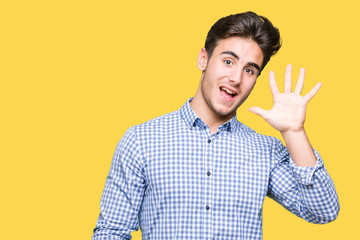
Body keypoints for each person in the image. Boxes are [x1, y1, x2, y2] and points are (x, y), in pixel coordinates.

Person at [92, 11, 339, 239]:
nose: (236, 78)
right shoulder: (141, 140)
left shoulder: (265, 151)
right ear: (204, 59)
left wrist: (293, 132)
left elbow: (323, 211)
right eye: (228, 61)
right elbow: (112, 230)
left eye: (250, 70)